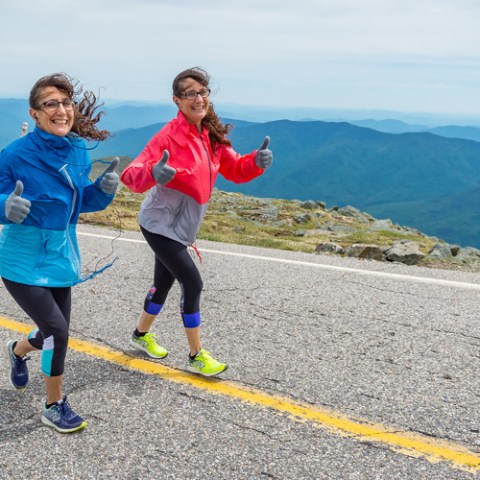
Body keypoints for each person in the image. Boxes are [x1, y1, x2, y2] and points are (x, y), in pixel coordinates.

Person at [121, 67, 273, 377]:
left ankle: (139, 335)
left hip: (182, 227)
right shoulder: (168, 136)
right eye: (191, 93)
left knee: (162, 284)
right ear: (177, 100)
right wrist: (152, 173)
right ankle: (195, 355)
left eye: (203, 92)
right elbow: (131, 174)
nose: (199, 98)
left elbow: (234, 168)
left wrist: (255, 162)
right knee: (192, 282)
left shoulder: (210, 134)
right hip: (159, 223)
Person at [1, 73, 119, 433]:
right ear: (35, 113)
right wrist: (5, 205)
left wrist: (103, 190)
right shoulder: (15, 155)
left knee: (54, 330)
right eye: (51, 103)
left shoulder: (78, 148)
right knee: (57, 331)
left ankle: (18, 350)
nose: (61, 109)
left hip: (61, 255)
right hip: (20, 259)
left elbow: (81, 201)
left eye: (66, 102)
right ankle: (54, 405)